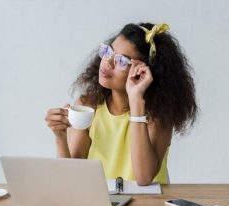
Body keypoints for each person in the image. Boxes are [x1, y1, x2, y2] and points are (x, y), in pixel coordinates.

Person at [45, 22, 197, 186]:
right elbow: (72, 178)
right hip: (103, 202)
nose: (107, 62)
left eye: (122, 61)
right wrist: (60, 137)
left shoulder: (158, 116)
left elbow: (144, 177)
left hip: (148, 204)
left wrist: (136, 98)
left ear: (143, 72)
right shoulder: (87, 107)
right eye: (108, 51)